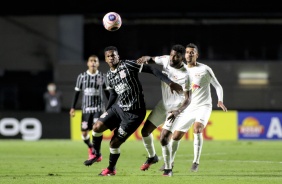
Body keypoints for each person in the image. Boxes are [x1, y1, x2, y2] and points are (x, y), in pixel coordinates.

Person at [85, 46, 183, 176]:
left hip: (134, 114)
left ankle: (111, 169)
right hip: (119, 107)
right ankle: (96, 154)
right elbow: (113, 94)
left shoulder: (128, 65)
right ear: (105, 59)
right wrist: (107, 111)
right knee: (96, 127)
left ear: (118, 56)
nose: (111, 57)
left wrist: (169, 83)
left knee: (114, 143)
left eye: (113, 55)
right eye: (109, 56)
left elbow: (152, 69)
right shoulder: (109, 75)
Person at [158, 43, 228, 175]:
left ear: (197, 55)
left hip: (204, 106)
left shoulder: (205, 69)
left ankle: (195, 162)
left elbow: (218, 86)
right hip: (188, 107)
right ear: (184, 55)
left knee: (197, 129)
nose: (189, 54)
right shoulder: (182, 70)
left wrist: (220, 100)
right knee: (176, 136)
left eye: (192, 52)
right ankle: (170, 162)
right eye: (187, 52)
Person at [136, 44, 192, 176]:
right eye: (172, 54)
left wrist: (178, 111)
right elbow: (152, 59)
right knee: (145, 131)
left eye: (177, 56)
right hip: (163, 106)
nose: (173, 58)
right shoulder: (166, 59)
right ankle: (152, 157)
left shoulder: (186, 75)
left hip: (177, 110)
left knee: (164, 138)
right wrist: (145, 58)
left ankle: (168, 169)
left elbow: (188, 99)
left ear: (182, 58)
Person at [69, 55, 109, 165]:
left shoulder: (101, 77)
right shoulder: (81, 77)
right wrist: (72, 107)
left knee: (96, 129)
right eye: (91, 61)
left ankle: (97, 153)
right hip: (86, 110)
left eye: (95, 61)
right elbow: (76, 93)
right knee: (84, 132)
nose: (93, 63)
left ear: (98, 63)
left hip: (98, 108)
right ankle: (91, 147)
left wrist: (110, 108)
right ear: (87, 63)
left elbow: (107, 93)